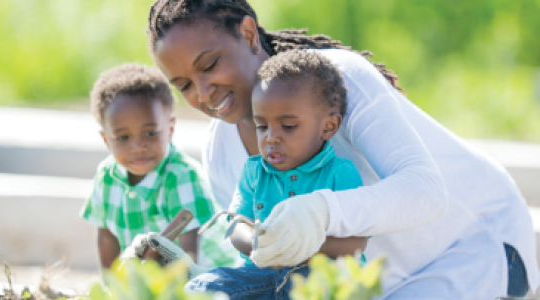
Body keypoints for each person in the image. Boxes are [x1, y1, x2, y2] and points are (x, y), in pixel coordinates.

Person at [147, 0, 538, 298]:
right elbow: (264, 261)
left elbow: (426, 191)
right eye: (183, 85)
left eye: (210, 64)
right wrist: (187, 277)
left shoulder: (334, 81)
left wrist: (321, 212)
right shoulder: (221, 148)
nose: (202, 93)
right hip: (373, 284)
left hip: (477, 249)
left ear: (249, 34)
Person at [186, 50, 368, 299]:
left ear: (328, 126)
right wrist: (257, 245)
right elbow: (237, 224)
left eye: (288, 126)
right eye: (262, 126)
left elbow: (356, 243)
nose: (271, 137)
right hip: (263, 274)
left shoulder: (340, 172)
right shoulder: (254, 171)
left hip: (318, 275)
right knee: (199, 287)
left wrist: (298, 249)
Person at [79, 63, 237, 273]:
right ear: (106, 139)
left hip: (205, 275)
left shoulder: (181, 175)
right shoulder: (106, 176)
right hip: (151, 274)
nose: (138, 147)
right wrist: (113, 289)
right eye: (123, 137)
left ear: (170, 129)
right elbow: (106, 237)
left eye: (150, 133)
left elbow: (188, 253)